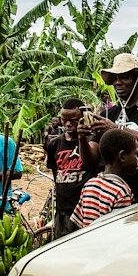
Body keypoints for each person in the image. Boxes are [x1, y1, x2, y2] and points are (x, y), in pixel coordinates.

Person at [44, 99, 98, 235]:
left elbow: (91, 163)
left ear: (82, 118)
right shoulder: (55, 143)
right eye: (64, 120)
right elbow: (55, 171)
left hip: (85, 209)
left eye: (73, 120)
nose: (68, 124)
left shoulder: (93, 140)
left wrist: (82, 138)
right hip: (62, 210)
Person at [73, 128, 138, 228]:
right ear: (122, 156)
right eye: (135, 154)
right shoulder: (121, 192)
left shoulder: (90, 184)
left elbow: (77, 222)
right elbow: (120, 229)